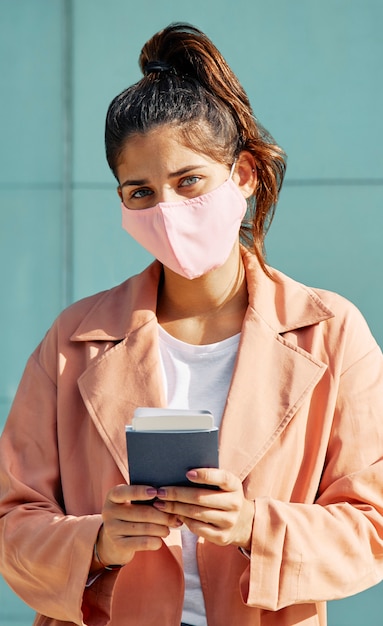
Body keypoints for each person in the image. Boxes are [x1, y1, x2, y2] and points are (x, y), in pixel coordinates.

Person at [0, 22, 383, 626]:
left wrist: (255, 525)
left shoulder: (332, 332)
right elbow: (12, 522)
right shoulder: (73, 341)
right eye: (140, 192)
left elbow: (373, 525)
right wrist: (99, 541)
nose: (167, 211)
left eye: (188, 182)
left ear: (245, 175)